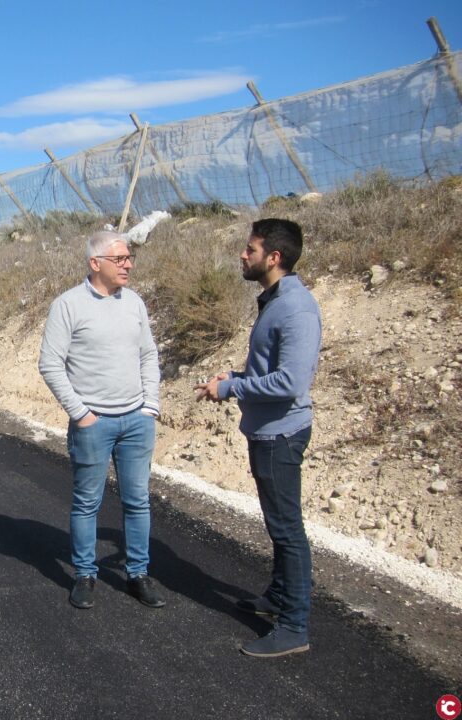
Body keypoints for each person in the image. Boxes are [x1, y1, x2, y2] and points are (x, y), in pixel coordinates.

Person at [196, 218, 322, 658]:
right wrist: (233, 376)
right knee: (278, 523)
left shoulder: (296, 307)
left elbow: (290, 382)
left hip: (280, 434)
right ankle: (279, 596)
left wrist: (232, 388)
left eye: (250, 249)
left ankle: (294, 625)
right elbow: (269, 370)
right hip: (267, 430)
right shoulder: (274, 302)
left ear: (274, 257)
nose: (242, 255)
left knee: (287, 529)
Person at [39, 230, 165, 610]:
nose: (128, 264)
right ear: (96, 264)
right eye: (121, 258)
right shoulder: (67, 305)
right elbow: (50, 364)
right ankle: (85, 574)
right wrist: (82, 414)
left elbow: (148, 356)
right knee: (86, 502)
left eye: (129, 258)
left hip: (136, 421)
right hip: (93, 425)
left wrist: (150, 405)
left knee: (138, 501)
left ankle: (138, 574)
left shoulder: (135, 303)